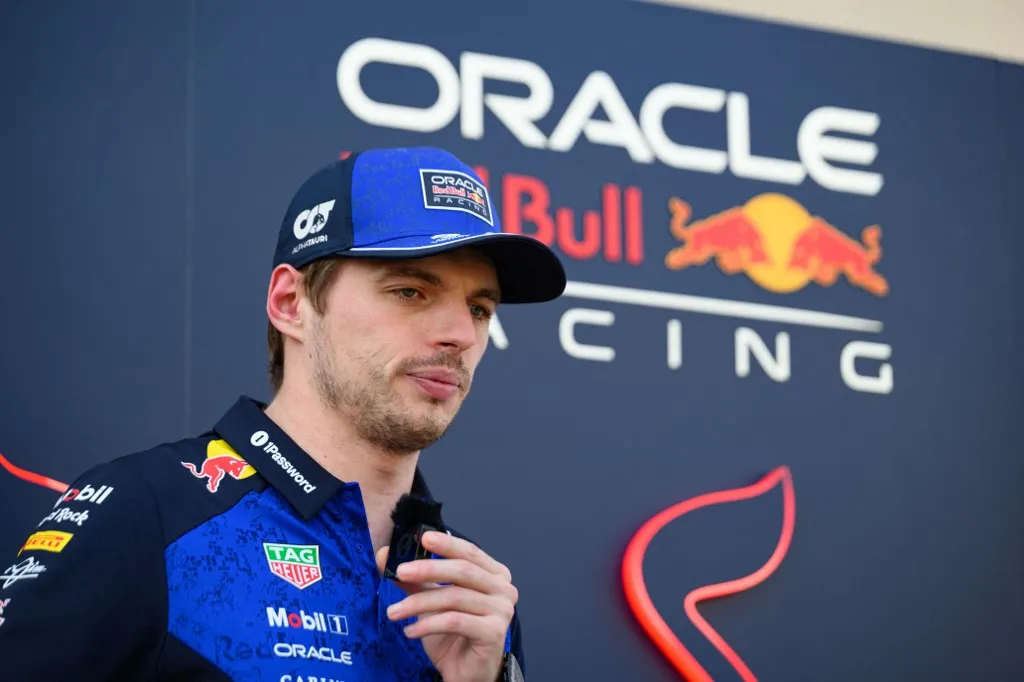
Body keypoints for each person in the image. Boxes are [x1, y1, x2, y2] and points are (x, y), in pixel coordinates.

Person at [0, 146, 565, 681]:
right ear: (290, 304)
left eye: (479, 307)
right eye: (410, 291)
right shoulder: (147, 516)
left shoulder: (470, 591)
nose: (460, 335)